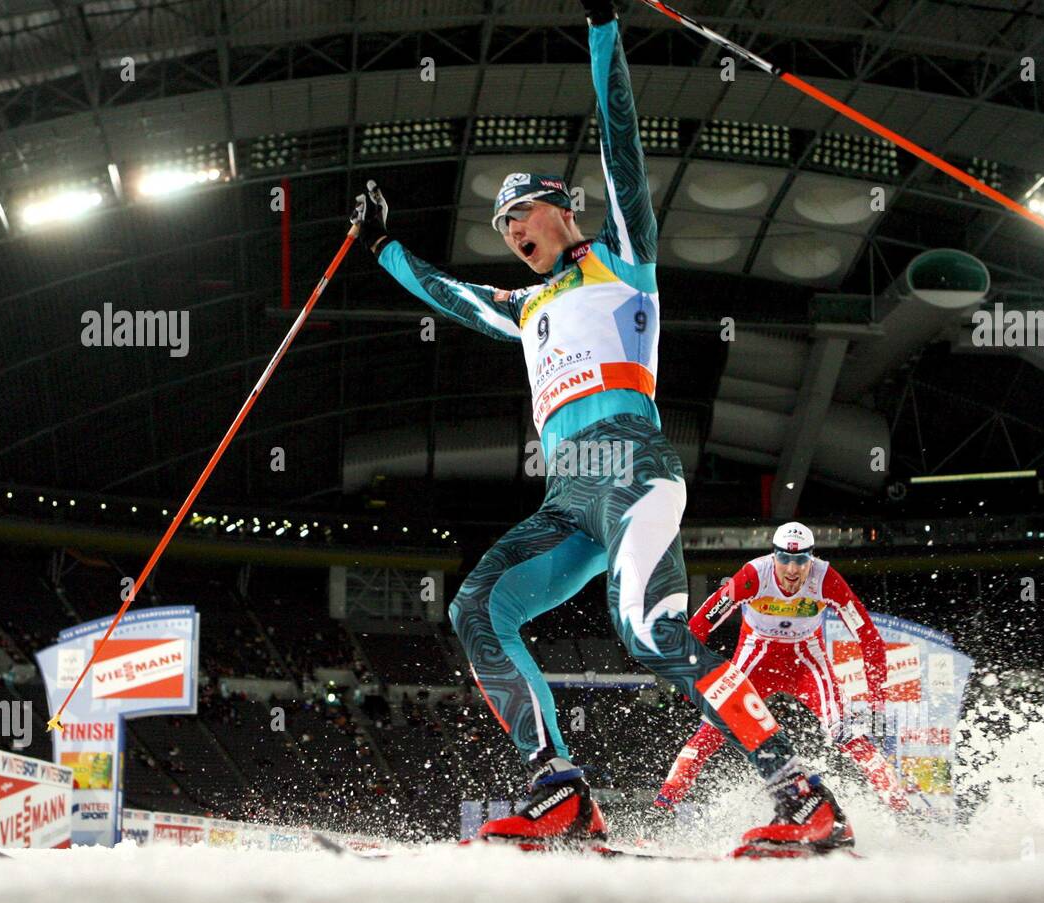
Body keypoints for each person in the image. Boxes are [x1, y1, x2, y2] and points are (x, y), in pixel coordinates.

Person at [351, 0, 855, 855]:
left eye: (523, 217)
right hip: (566, 498)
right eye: (502, 227)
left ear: (561, 210)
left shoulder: (623, 258)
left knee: (654, 633)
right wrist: (382, 249)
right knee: (479, 605)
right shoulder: (525, 306)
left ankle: (805, 795)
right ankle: (561, 787)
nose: (511, 233)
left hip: (631, 471)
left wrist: (600, 27)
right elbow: (450, 295)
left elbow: (621, 142)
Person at [654, 521, 909, 816]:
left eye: (801, 560)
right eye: (785, 559)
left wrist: (877, 699)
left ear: (810, 559)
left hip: (806, 662)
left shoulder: (826, 579)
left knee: (846, 733)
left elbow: (869, 639)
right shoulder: (753, 575)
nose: (792, 570)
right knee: (712, 730)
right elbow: (700, 623)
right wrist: (689, 679)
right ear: (773, 556)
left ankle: (903, 811)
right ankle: (661, 808)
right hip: (756, 661)